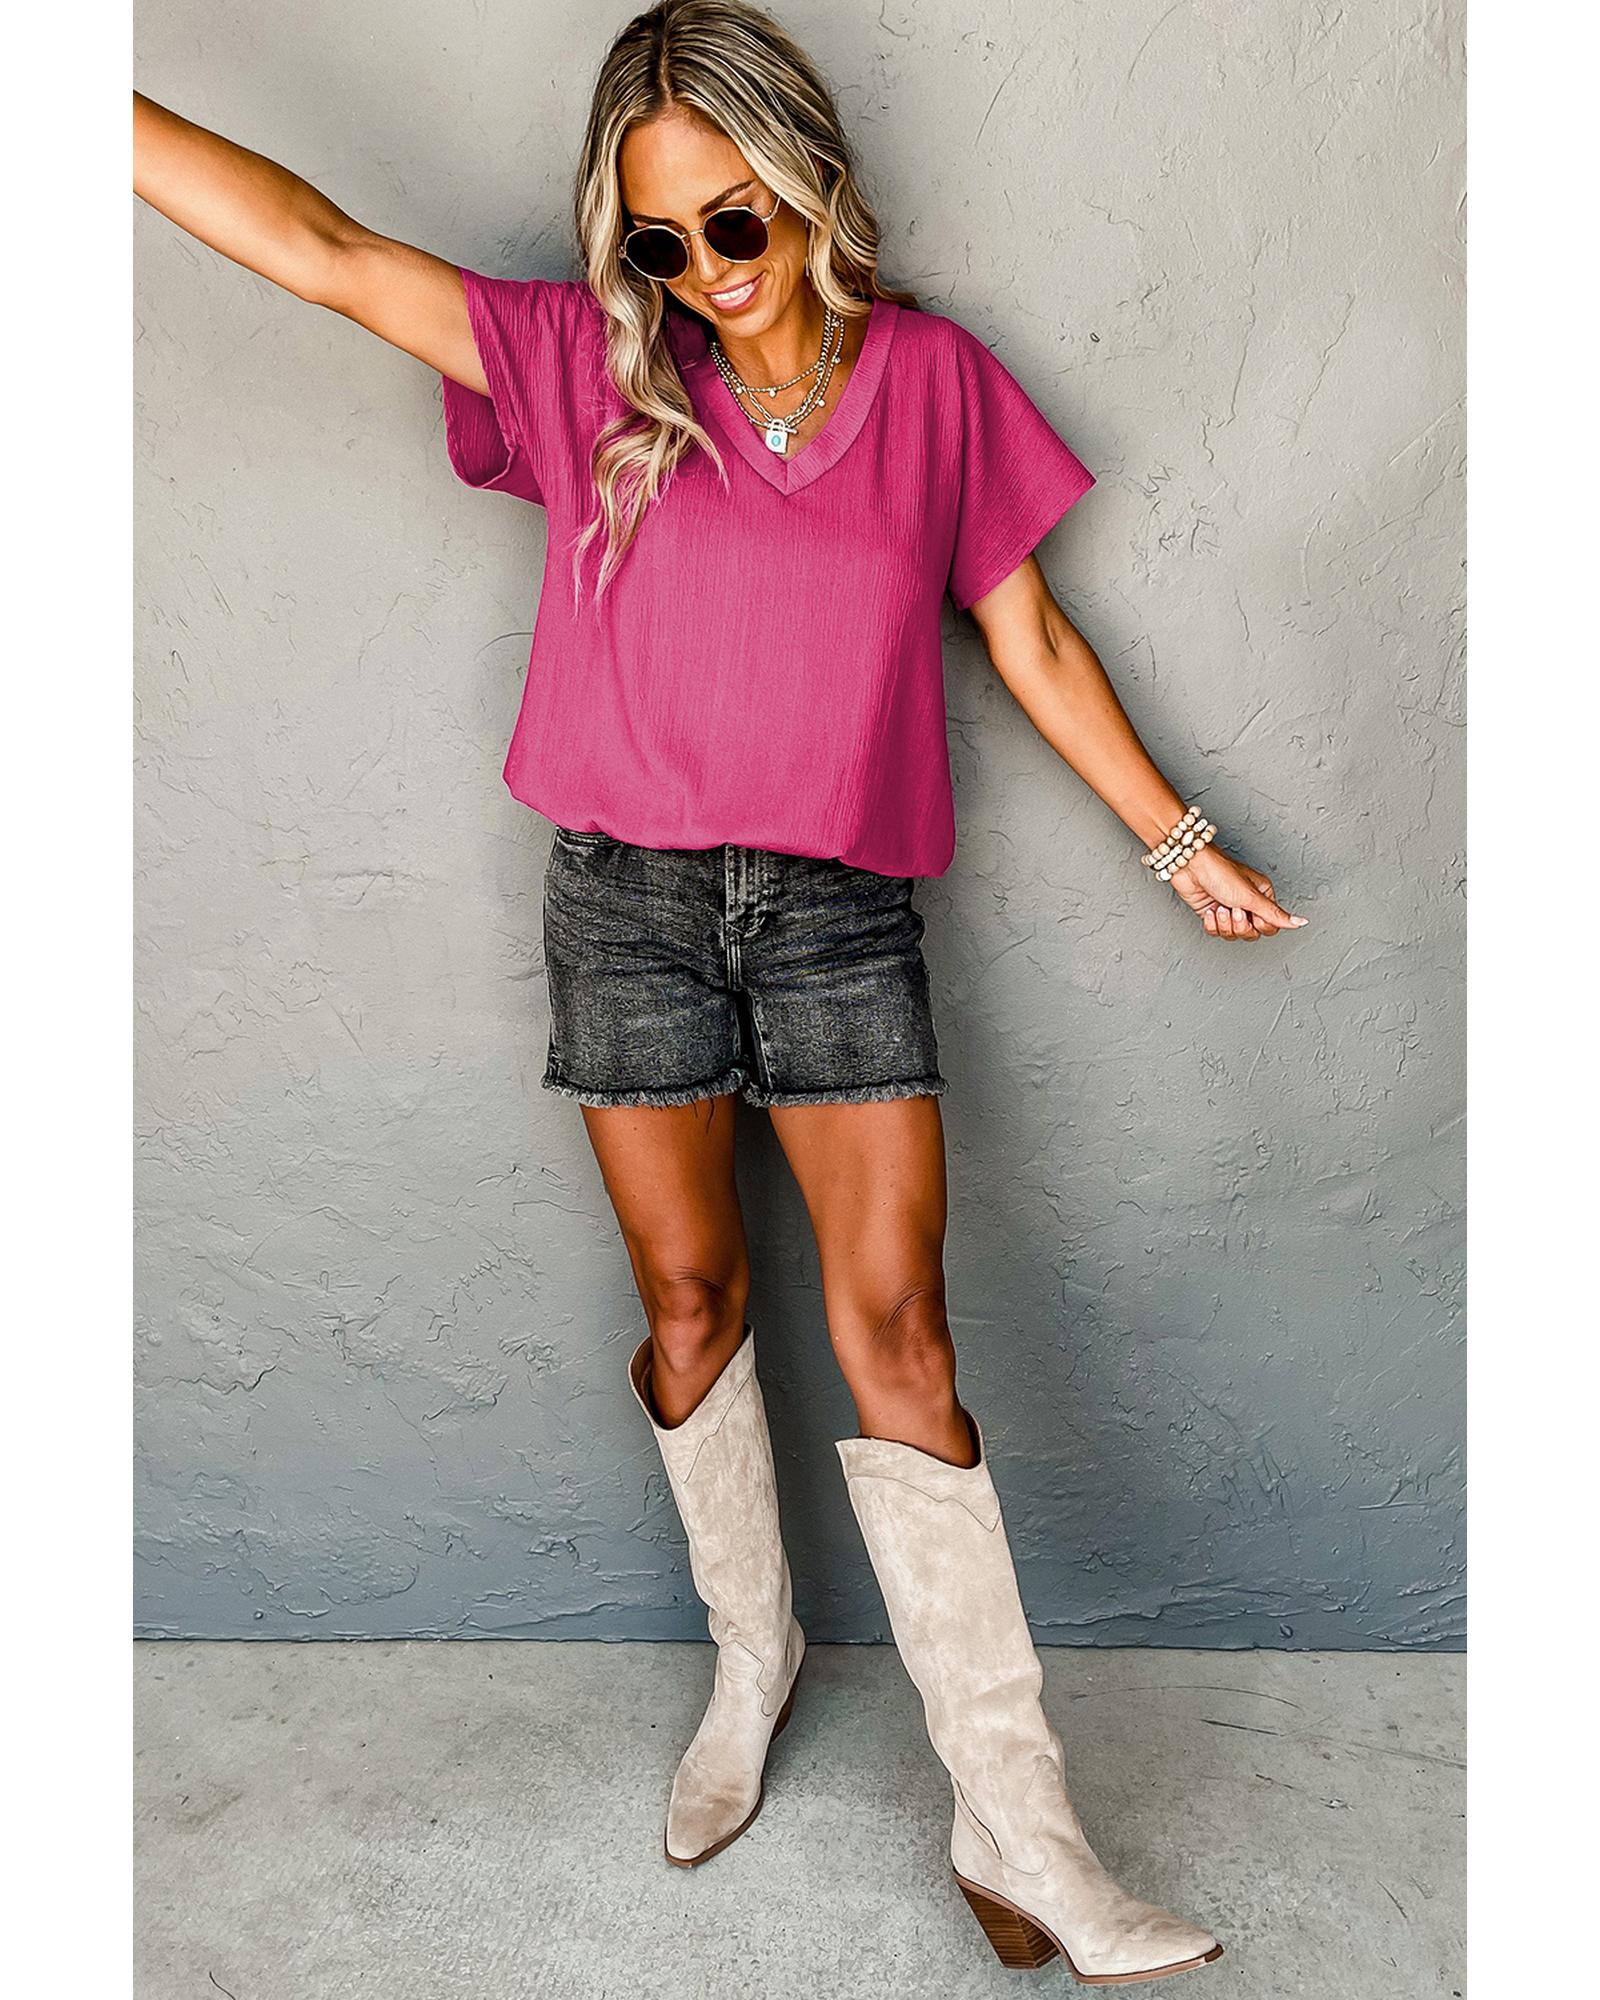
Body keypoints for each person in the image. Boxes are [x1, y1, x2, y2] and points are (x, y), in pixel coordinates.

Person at [135, 0, 1306, 1979]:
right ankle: (749, 1663)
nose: (703, 271)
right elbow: (321, 250)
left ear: (806, 181)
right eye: (660, 240)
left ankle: (1020, 1831)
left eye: (734, 222)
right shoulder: (584, 366)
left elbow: (1024, 637)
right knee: (689, 1299)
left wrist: (1176, 838)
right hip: (625, 906)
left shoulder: (931, 384)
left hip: (840, 913)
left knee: (901, 1329)